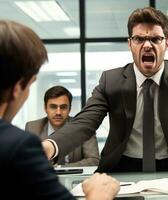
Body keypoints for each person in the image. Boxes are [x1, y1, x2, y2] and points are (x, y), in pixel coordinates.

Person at [43, 6, 168, 173]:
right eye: (139, 39)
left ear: (167, 43)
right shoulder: (111, 80)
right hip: (121, 165)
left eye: (155, 39)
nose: (147, 45)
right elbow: (85, 122)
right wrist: (50, 147)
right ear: (130, 44)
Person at [0, 19, 119, 199]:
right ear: (17, 88)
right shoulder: (18, 147)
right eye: (30, 85)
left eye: (63, 107)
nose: (58, 112)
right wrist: (99, 193)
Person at [25, 85, 100, 167]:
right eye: (53, 107)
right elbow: (28, 161)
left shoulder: (84, 126)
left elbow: (94, 160)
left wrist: (61, 168)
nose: (58, 112)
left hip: (76, 179)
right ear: (45, 108)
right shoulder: (32, 128)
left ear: (69, 109)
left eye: (63, 107)